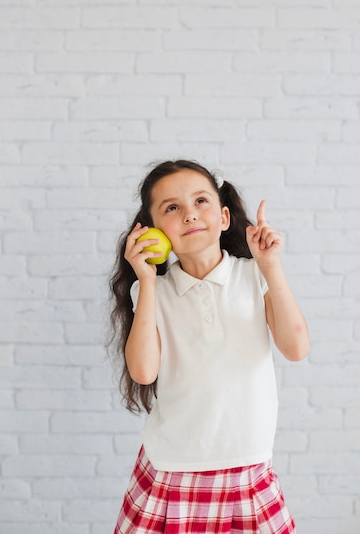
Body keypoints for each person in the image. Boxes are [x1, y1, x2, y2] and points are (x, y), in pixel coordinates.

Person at [108, 159, 310, 534]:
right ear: (154, 232)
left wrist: (271, 265)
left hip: (247, 469)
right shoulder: (152, 291)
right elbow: (143, 371)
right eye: (172, 208)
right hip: (172, 471)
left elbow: (296, 347)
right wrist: (147, 282)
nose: (189, 215)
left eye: (201, 201)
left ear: (224, 217)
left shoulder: (255, 275)